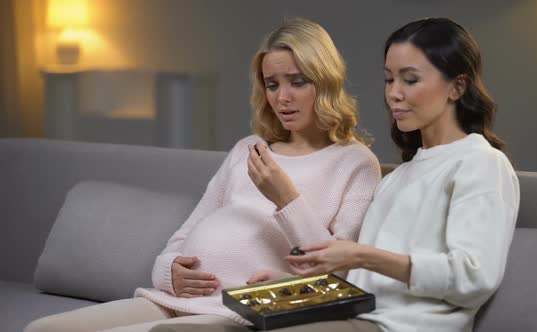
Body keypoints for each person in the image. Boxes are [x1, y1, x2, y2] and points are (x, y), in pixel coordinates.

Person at [149, 17, 520, 332]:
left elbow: (474, 278)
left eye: (410, 79)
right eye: (389, 79)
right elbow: (359, 285)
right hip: (358, 315)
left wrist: (361, 254)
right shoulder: (400, 177)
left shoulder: (481, 163)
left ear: (457, 85)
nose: (394, 93)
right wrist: (291, 288)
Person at [25, 17, 381, 332]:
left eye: (297, 81)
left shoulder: (355, 162)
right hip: (168, 300)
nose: (282, 97)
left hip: (235, 310)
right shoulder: (248, 148)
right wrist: (168, 272)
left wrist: (285, 197)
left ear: (325, 81)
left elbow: (339, 273)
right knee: (44, 329)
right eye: (272, 84)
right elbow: (186, 233)